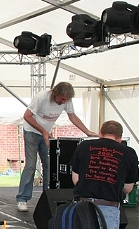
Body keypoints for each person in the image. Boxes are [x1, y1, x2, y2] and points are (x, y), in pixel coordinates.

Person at [15, 81, 97, 212]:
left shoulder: (66, 101)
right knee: (31, 165)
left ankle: (47, 197)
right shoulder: (42, 97)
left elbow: (72, 116)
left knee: (49, 165)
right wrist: (43, 131)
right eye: (62, 99)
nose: (63, 102)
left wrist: (87, 131)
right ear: (55, 93)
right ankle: (22, 198)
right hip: (31, 132)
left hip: (46, 133)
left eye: (66, 100)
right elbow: (27, 116)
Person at [70, 120, 139, 229]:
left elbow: (76, 180)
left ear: (100, 134)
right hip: (109, 208)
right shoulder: (129, 153)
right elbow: (128, 188)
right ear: (120, 138)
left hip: (83, 207)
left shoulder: (84, 146)